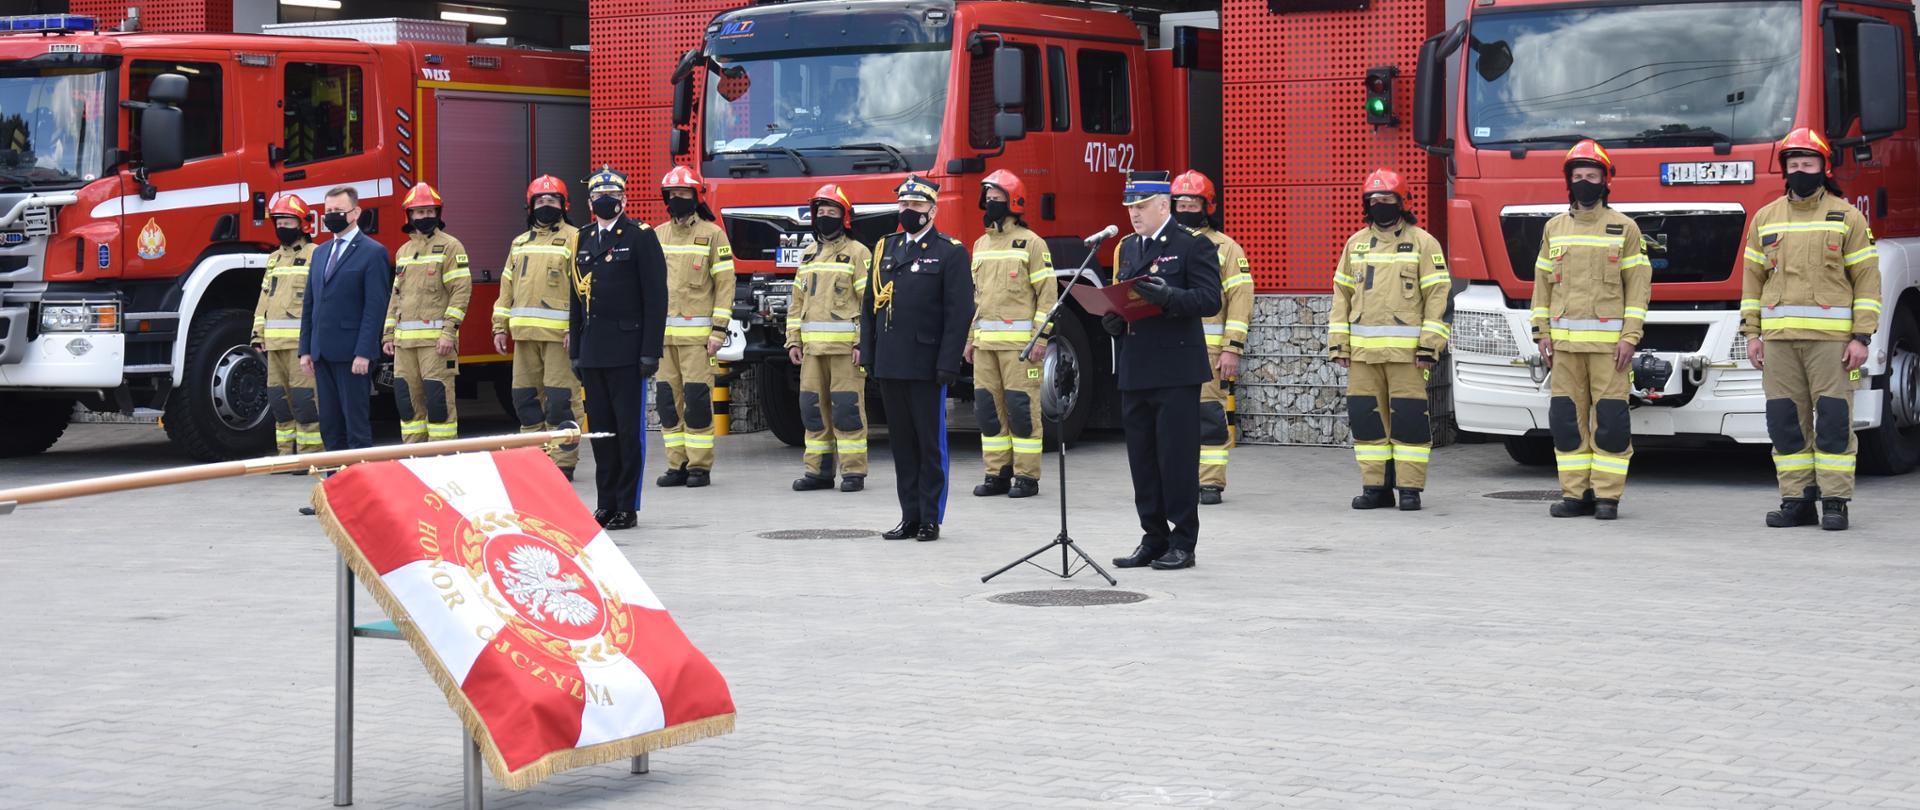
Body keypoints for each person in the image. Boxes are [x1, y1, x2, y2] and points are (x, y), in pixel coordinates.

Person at [1742, 127, 1879, 531]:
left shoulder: (1847, 217)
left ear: (1824, 168)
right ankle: (1797, 501)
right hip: (1780, 343)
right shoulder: (1765, 218)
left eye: (1808, 163)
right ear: (1785, 170)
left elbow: (1867, 281)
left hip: (1832, 344)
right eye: (1794, 164)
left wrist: (1861, 337)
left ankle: (1835, 502)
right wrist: (1752, 335)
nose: (1801, 170)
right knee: (1785, 422)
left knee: (1834, 421)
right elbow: (1752, 282)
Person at [1104, 170, 1221, 571]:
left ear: (1162, 205)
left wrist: (1170, 296)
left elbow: (1209, 299)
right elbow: (1123, 296)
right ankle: (1153, 537)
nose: (1134, 215)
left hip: (1175, 369)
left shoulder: (1192, 245)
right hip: (1136, 366)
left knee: (1176, 459)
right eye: (1129, 208)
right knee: (1143, 461)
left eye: (1140, 207)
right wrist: (1113, 319)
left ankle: (1183, 541)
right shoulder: (1128, 247)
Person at [1528, 142, 1650, 520]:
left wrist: (1630, 337)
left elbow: (1638, 288)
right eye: (1578, 176)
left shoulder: (1625, 228)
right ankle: (1575, 494)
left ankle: (1607, 497)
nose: (1584, 182)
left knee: (1611, 422)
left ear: (1605, 181)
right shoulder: (1554, 228)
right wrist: (1541, 332)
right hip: (1564, 348)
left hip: (1609, 350)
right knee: (1567, 422)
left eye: (1592, 176)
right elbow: (1542, 286)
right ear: (1569, 182)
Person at [1330, 169, 1452, 512]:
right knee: (1367, 420)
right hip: (1363, 356)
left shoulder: (1424, 243)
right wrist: (1339, 343)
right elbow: (1341, 296)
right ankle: (1375, 488)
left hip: (1408, 356)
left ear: (1403, 202)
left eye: (1386, 199)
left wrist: (1430, 346)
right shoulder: (1355, 244)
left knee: (1409, 420)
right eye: (1373, 200)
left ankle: (1409, 489)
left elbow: (1438, 298)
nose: (1379, 205)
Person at [860, 175, 973, 542]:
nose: (908, 210)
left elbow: (958, 313)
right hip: (891, 362)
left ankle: (930, 518)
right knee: (903, 446)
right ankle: (909, 515)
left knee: (929, 444)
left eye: (916, 205)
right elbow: (869, 307)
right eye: (904, 204)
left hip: (927, 364)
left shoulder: (950, 252)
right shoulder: (885, 248)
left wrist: (948, 362)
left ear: (932, 210)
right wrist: (870, 354)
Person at [569, 166, 668, 531]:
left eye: (611, 196)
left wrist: (650, 350)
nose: (605, 201)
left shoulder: (640, 236)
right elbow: (575, 301)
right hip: (593, 351)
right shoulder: (581, 239)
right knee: (601, 434)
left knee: (628, 433)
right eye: (598, 196)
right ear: (589, 202)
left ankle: (627, 505)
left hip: (628, 351)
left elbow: (655, 297)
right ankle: (605, 502)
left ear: (624, 200)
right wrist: (576, 351)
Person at [966, 170, 1055, 499]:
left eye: (997, 198)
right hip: (985, 347)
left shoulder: (1032, 243)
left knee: (1022, 411)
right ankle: (997, 474)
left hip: (1021, 349)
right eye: (988, 197)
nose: (991, 203)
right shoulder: (980, 245)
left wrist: (1040, 339)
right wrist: (970, 339)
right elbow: (977, 299)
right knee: (988, 412)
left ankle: (1027, 477)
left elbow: (1048, 296)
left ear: (1013, 202)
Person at [1171, 170, 1253, 506]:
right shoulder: (1160, 245)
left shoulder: (1226, 248)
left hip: (1209, 351)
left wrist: (1232, 348)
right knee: (1171, 419)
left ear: (1208, 207)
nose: (1186, 209)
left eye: (1193, 204)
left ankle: (1209, 483)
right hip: (1167, 349)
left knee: (1208, 416)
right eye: (1180, 204)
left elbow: (1241, 300)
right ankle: (1177, 480)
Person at [494, 175, 584, 479]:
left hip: (560, 338)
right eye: (541, 201)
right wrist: (499, 327)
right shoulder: (519, 243)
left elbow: (583, 289)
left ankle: (563, 463)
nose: (546, 205)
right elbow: (506, 288)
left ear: (564, 205)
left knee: (561, 402)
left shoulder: (576, 238)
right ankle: (535, 460)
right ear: (530, 206)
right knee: (525, 401)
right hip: (523, 337)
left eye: (552, 200)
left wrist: (575, 328)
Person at [653, 167, 736, 488]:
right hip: (663, 341)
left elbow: (725, 285)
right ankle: (677, 465)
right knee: (667, 403)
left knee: (697, 401)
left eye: (683, 194)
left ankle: (700, 466)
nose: (677, 199)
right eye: (672, 194)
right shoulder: (657, 235)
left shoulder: (713, 235)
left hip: (699, 341)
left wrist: (719, 331)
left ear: (696, 197)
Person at [788, 184, 873, 493]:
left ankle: (853, 472)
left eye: (831, 211)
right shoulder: (808, 254)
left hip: (845, 351)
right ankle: (818, 472)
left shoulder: (858, 253)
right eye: (821, 211)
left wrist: (863, 343)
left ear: (844, 217)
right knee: (812, 410)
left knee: (847, 410)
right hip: (812, 351)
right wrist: (793, 340)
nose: (825, 216)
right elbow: (797, 302)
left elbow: (868, 303)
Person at [299, 186, 391, 452]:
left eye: (338, 210)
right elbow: (310, 303)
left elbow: (375, 307)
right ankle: (335, 478)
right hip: (322, 354)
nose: (332, 216)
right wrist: (306, 350)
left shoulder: (373, 252)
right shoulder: (320, 253)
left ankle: (358, 478)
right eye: (328, 211)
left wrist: (364, 352)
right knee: (330, 426)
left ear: (356, 212)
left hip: (353, 357)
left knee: (356, 427)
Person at [382, 183, 472, 444]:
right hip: (404, 346)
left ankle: (442, 456)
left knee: (438, 402)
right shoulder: (404, 251)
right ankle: (414, 456)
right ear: (409, 215)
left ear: (438, 213)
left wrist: (448, 333)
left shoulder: (451, 247)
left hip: (436, 345)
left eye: (429, 211)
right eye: (419, 212)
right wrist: (388, 334)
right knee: (407, 404)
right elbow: (396, 296)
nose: (424, 216)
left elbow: (460, 292)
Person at [252, 193, 321, 459]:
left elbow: (320, 301)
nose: (282, 227)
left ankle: (309, 456)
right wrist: (257, 334)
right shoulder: (274, 259)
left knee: (305, 403)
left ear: (302, 224)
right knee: (279, 403)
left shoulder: (316, 254)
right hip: (274, 345)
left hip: (300, 347)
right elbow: (264, 299)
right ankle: (285, 456)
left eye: (288, 222)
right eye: (279, 222)